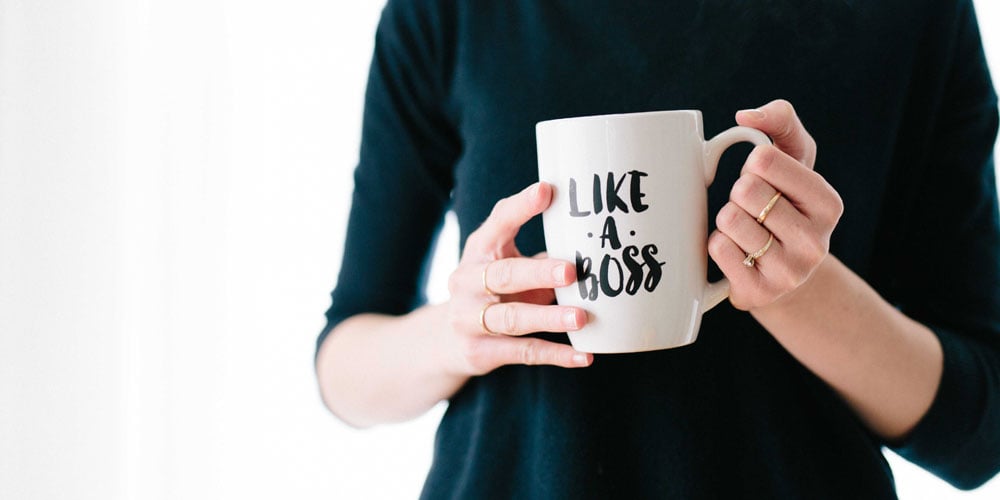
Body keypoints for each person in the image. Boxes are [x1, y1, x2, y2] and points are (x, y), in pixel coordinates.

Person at [315, 1, 1000, 498]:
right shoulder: (447, 13)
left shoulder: (911, 17)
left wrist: (801, 291)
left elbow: (978, 432)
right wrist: (462, 331)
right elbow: (343, 366)